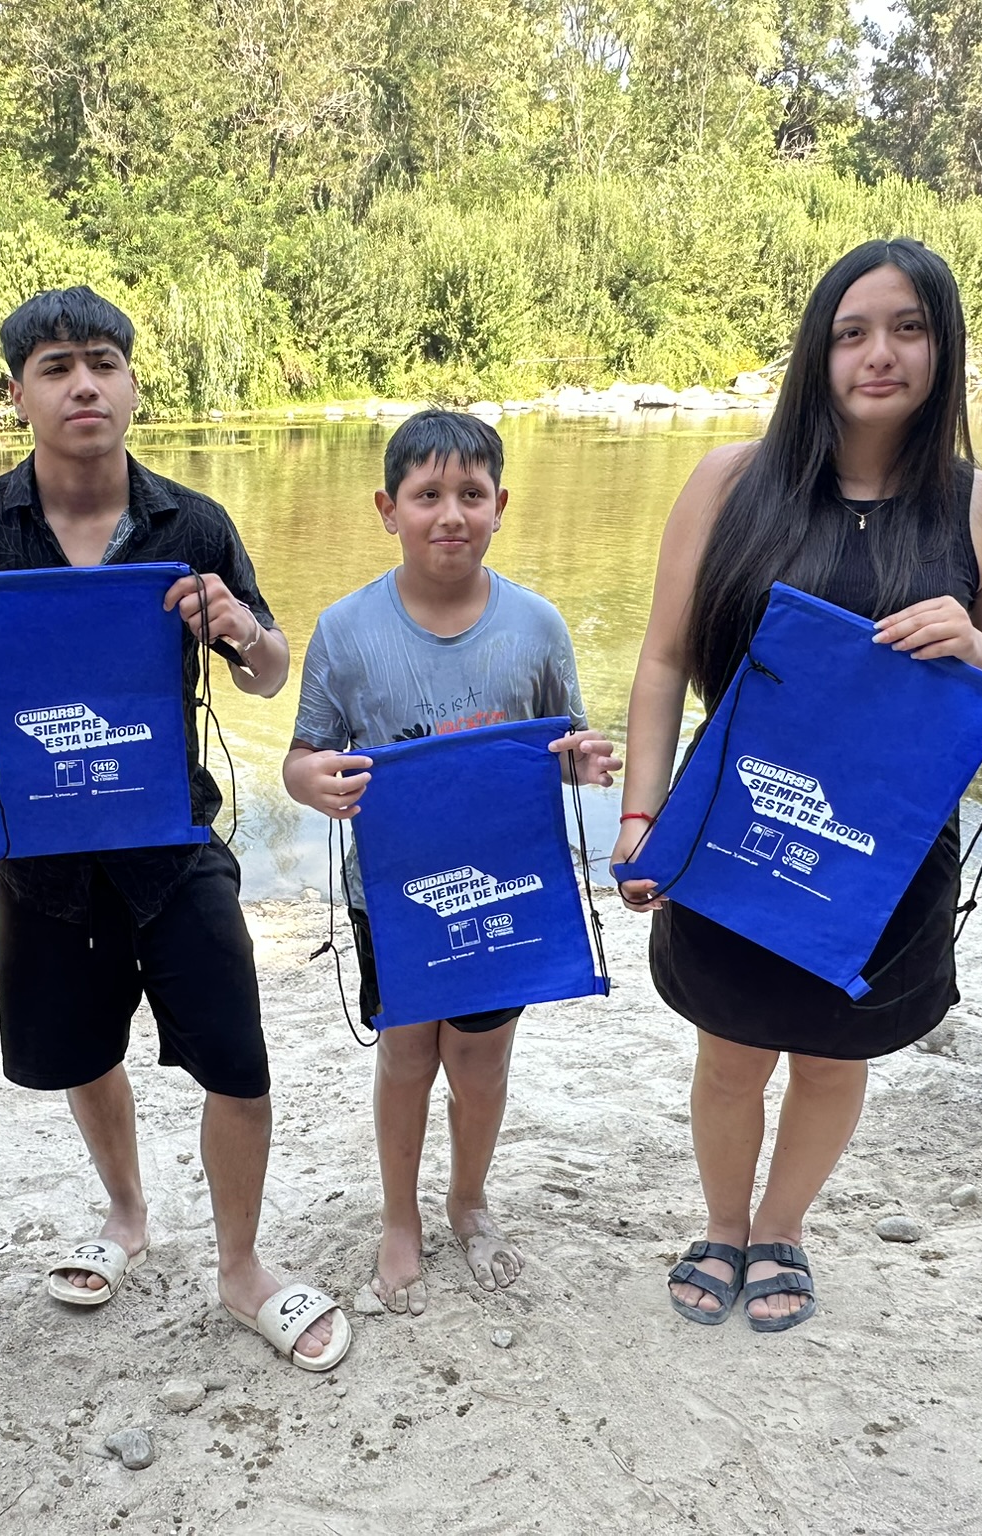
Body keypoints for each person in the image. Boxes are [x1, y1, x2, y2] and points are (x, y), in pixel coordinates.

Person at [0, 286, 350, 1372]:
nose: (81, 383)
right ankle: (128, 1215)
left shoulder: (193, 522)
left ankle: (240, 1268)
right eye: (54, 368)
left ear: (132, 382)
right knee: (86, 1053)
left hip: (170, 841)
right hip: (39, 857)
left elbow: (270, 676)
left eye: (100, 361)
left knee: (236, 1062)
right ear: (18, 395)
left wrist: (237, 626)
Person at [612, 240, 982, 1332]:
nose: (877, 354)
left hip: (887, 851)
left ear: (941, 348)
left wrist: (980, 656)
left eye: (905, 328)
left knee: (830, 1055)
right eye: (851, 331)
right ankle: (720, 1221)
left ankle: (782, 1228)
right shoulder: (729, 480)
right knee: (729, 1050)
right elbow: (662, 659)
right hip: (738, 823)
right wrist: (639, 813)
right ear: (817, 349)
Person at [280, 410, 619, 1315]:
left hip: (507, 886)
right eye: (428, 496)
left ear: (501, 506)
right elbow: (302, 757)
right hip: (392, 894)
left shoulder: (538, 627)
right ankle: (400, 1217)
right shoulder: (346, 631)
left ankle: (468, 1202)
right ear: (387, 509)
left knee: (481, 1060)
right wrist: (320, 783)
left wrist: (588, 762)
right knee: (404, 1057)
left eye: (471, 495)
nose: (451, 515)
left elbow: (566, 739)